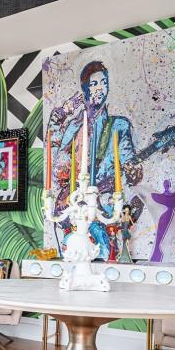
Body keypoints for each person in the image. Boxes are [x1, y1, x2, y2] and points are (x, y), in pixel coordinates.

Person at [49, 60, 144, 258]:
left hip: (103, 206)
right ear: (85, 89)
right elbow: (57, 165)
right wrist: (62, 113)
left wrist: (133, 169)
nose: (99, 88)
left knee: (106, 256)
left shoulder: (119, 125)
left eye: (103, 83)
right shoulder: (74, 126)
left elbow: (133, 172)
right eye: (93, 84)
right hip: (72, 207)